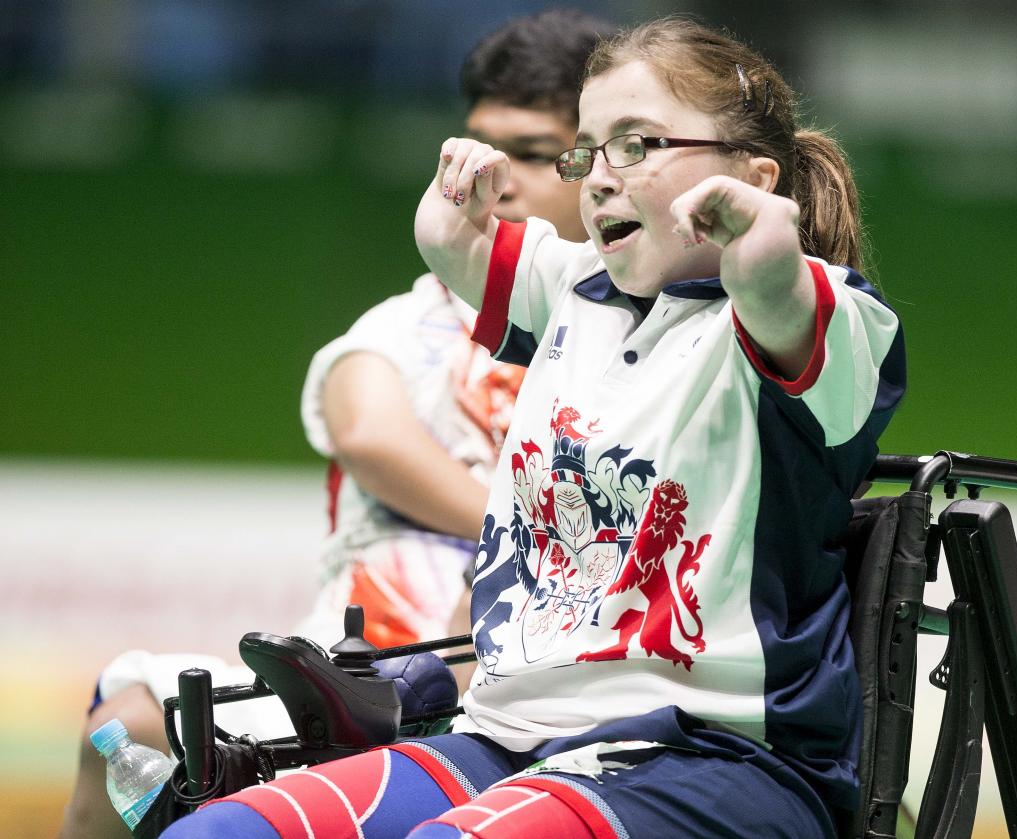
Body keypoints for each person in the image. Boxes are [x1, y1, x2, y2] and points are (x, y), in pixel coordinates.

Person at [161, 17, 906, 839]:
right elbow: (463, 248)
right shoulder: (581, 290)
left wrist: (769, 251)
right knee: (213, 832)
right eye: (586, 150)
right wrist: (448, 218)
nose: (596, 177)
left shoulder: (829, 320)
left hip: (713, 761)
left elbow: (783, 302)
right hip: (507, 739)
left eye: (637, 144)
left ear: (754, 174)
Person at [57, 10, 615, 839]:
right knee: (131, 729)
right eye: (476, 148)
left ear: (591, 166)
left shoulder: (645, 339)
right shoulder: (405, 323)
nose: (494, 177)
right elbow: (370, 435)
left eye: (532, 153)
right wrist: (523, 528)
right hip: (352, 683)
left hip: (536, 700)